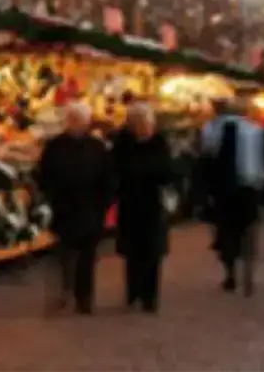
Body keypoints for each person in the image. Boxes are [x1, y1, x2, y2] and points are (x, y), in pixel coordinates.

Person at [36, 102, 114, 314]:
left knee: (87, 256)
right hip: (65, 209)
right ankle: (65, 290)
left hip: (91, 209)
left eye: (80, 120)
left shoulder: (97, 147)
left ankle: (84, 296)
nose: (76, 124)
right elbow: (44, 174)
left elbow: (108, 178)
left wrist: (104, 203)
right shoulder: (55, 146)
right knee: (65, 254)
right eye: (73, 119)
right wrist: (51, 197)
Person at [199, 97, 264, 295]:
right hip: (249, 186)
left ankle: (230, 272)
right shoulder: (255, 130)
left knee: (225, 230)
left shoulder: (210, 129)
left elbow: (206, 155)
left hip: (222, 188)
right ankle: (248, 273)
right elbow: (261, 159)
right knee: (248, 229)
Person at [111, 102, 173, 312]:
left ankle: (150, 297)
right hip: (130, 204)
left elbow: (167, 171)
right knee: (132, 254)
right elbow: (117, 171)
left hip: (154, 205)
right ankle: (133, 293)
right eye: (141, 123)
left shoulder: (160, 143)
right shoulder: (122, 144)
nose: (146, 127)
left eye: (148, 123)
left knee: (153, 253)